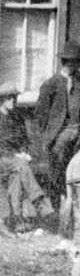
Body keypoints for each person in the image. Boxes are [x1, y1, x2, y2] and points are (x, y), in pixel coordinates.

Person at [36, 41, 80, 207]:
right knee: (58, 166)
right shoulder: (51, 84)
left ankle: (74, 203)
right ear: (69, 62)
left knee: (79, 164)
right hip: (59, 133)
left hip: (78, 130)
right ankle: (56, 203)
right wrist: (49, 134)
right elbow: (41, 114)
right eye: (77, 61)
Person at [0, 82, 54, 231]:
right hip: (2, 158)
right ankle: (43, 208)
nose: (13, 101)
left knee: (17, 175)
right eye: (9, 98)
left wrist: (24, 152)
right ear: (2, 99)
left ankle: (16, 219)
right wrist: (16, 155)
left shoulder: (17, 118)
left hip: (14, 161)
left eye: (15, 98)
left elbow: (24, 140)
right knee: (21, 165)